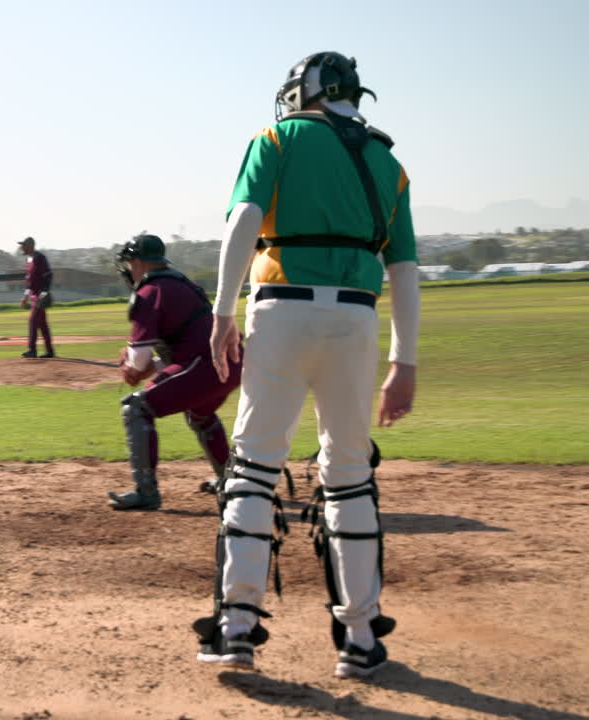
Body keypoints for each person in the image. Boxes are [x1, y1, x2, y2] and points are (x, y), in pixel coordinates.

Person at [193, 52, 420, 679]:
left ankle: (237, 627)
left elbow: (243, 220)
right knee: (349, 474)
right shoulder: (389, 162)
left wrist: (221, 311)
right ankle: (361, 638)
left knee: (255, 469)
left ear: (308, 92)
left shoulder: (277, 138)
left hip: (281, 312)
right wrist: (405, 359)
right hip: (356, 319)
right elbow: (403, 270)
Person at [109, 234, 241, 511]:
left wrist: (130, 367)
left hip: (204, 363)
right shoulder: (182, 283)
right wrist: (145, 366)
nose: (129, 270)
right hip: (231, 361)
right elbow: (175, 354)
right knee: (201, 414)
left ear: (140, 262)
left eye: (131, 263)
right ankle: (229, 482)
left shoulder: (148, 292)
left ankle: (146, 492)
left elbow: (138, 363)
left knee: (135, 407)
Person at [17, 236, 55, 358]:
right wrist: (25, 297)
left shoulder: (40, 258)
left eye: (24, 245)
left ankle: (32, 350)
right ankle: (50, 351)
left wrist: (44, 293)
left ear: (30, 246)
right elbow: (30, 282)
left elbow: (48, 276)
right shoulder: (29, 260)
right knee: (42, 324)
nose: (22, 247)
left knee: (33, 321)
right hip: (34, 295)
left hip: (40, 296)